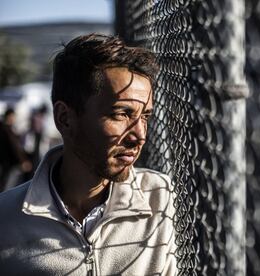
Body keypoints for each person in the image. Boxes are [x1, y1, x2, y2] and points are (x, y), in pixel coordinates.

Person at [0, 34, 176, 275]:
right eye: (121, 114)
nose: (139, 135)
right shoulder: (5, 218)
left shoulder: (164, 198)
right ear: (65, 118)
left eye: (145, 116)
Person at [0, 107, 32, 192]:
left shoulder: (7, 129)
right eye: (13, 116)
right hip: (8, 164)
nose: (14, 119)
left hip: (6, 163)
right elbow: (15, 147)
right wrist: (23, 161)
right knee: (6, 189)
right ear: (9, 116)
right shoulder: (7, 130)